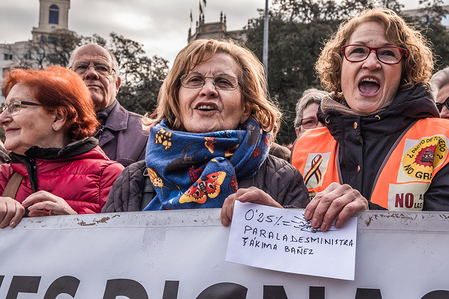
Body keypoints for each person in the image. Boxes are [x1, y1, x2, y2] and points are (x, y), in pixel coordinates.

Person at [103, 39, 313, 227]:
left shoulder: (283, 178)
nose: (208, 90)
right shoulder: (133, 181)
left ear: (246, 107)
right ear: (176, 100)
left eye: (224, 82)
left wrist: (279, 224)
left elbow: (305, 264)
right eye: (194, 80)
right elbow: (109, 261)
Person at [291, 8, 449, 231]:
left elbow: (441, 243)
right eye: (357, 51)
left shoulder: (442, 138)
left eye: (387, 53)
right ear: (340, 66)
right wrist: (267, 212)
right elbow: (291, 233)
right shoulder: (304, 146)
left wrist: (368, 221)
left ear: (404, 72)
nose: (371, 63)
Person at [0, 66, 124, 228]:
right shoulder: (4, 175)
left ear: (58, 117)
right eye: (4, 108)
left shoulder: (110, 177)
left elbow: (124, 247)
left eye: (15, 106)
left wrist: (74, 222)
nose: (2, 118)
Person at [68, 43, 148, 167]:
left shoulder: (145, 133)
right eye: (82, 67)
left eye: (102, 68)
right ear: (67, 80)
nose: (91, 73)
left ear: (117, 84)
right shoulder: (48, 128)